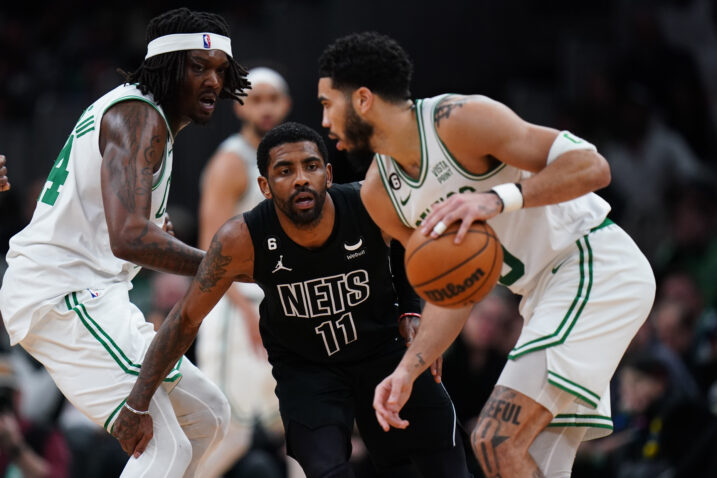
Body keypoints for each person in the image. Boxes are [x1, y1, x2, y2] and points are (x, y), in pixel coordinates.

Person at [317, 32, 656, 478]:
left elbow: (593, 167)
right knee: (525, 460)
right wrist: (407, 370)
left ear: (362, 99)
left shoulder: (458, 119)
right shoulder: (382, 195)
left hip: (592, 263)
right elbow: (452, 289)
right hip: (541, 296)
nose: (324, 120)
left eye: (327, 103)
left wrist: (498, 198)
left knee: (495, 437)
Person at [112, 122, 474, 478]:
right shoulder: (242, 238)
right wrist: (137, 401)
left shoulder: (369, 202)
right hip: (308, 371)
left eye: (311, 166)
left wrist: (412, 309)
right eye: (285, 171)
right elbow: (184, 319)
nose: (301, 178)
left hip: (384, 350)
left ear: (328, 174)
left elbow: (410, 249)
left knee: (443, 464)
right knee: (326, 470)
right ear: (265, 187)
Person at [0, 7, 252, 476]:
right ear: (166, 67)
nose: (213, 82)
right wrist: (227, 263)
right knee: (163, 445)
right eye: (198, 68)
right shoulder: (138, 119)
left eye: (221, 70)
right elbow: (129, 237)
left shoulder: (144, 117)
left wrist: (158, 234)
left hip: (95, 293)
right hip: (61, 293)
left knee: (211, 417)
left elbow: (128, 226)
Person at [196, 66, 291, 477]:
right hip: (236, 306)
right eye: (256, 99)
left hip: (282, 302)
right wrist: (245, 309)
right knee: (226, 432)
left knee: (300, 426)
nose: (265, 107)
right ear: (239, 107)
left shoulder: (292, 159)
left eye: (273, 99)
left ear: (286, 104)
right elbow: (207, 248)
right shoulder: (231, 163)